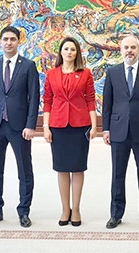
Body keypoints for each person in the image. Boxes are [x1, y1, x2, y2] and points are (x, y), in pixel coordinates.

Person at [0, 26, 40, 228]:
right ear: (0, 41)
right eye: (5, 39)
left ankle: (24, 211)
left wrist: (31, 125)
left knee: (24, 170)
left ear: (18, 42)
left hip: (19, 126)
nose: (8, 42)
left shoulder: (28, 66)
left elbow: (34, 98)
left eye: (12, 39)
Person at [102, 34, 139, 230]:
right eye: (126, 47)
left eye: (133, 47)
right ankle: (116, 214)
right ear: (121, 50)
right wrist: (106, 129)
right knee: (117, 174)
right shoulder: (113, 72)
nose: (129, 51)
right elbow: (107, 103)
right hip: (118, 130)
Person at [42, 37, 97, 227]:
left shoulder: (85, 73)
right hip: (58, 126)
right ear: (61, 52)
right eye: (66, 49)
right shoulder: (52, 74)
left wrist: (94, 125)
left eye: (73, 49)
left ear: (77, 53)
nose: (69, 52)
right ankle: (65, 208)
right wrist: (46, 127)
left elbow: (91, 100)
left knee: (78, 168)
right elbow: (47, 101)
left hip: (80, 125)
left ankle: (77, 208)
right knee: (62, 168)